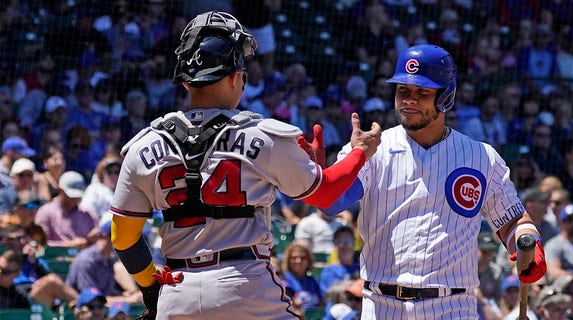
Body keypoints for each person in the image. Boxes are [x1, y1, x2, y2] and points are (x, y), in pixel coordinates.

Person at [108, 10, 381, 320]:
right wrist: (358, 153)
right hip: (245, 286)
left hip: (177, 291)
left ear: (186, 83)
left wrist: (151, 287)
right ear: (235, 77)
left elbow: (123, 238)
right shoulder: (263, 134)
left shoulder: (143, 144)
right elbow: (326, 194)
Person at [315, 44, 547, 319]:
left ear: (445, 97)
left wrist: (527, 239)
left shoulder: (481, 157)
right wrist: (326, 174)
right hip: (382, 305)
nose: (409, 99)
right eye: (403, 90)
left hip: (452, 306)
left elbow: (513, 221)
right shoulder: (371, 148)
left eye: (422, 92)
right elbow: (332, 204)